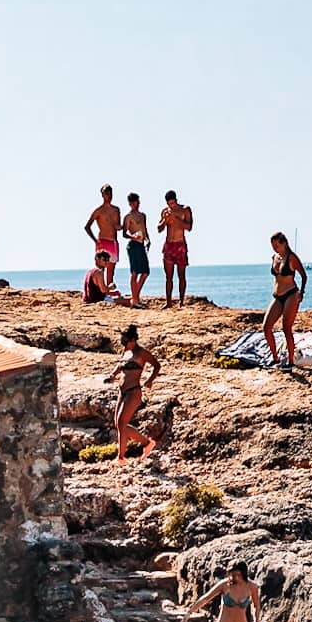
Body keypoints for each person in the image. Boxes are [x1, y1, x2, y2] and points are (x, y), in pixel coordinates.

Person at [107, 324, 162, 461]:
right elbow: (120, 365)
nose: (123, 344)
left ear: (133, 340)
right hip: (122, 391)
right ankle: (120, 457)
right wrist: (113, 375)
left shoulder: (141, 353)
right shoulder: (126, 352)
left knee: (122, 423)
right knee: (119, 424)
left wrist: (150, 380)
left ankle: (146, 443)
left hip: (133, 391)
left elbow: (156, 365)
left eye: (125, 341)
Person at [264, 232, 308, 368]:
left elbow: (303, 275)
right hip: (277, 296)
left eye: (276, 244)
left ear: (283, 243)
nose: (274, 247)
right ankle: (275, 358)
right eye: (272, 245)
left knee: (286, 328)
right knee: (266, 327)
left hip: (291, 294)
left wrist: (301, 292)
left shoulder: (291, 257)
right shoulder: (274, 257)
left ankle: (290, 362)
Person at [159, 193, 193, 306]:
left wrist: (176, 219)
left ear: (176, 200)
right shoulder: (165, 211)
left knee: (181, 275)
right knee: (168, 276)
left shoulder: (185, 210)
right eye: (169, 204)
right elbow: (159, 229)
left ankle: (181, 302)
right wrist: (165, 220)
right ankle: (168, 302)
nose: (171, 206)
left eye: (173, 203)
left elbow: (189, 227)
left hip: (180, 245)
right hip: (169, 245)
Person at [86, 187, 122, 290]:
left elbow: (117, 226)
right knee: (101, 269)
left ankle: (109, 292)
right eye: (106, 194)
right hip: (102, 242)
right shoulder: (99, 211)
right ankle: (98, 291)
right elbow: (87, 227)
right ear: (102, 195)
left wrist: (120, 227)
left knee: (111, 269)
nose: (108, 196)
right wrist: (95, 241)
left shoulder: (116, 210)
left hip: (113, 242)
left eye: (110, 193)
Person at [121, 193, 152, 306]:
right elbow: (124, 233)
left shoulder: (143, 215)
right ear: (130, 203)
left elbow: (145, 229)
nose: (136, 204)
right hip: (133, 245)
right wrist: (132, 236)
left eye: (138, 201)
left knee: (145, 272)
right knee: (134, 273)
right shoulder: (128, 217)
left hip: (141, 245)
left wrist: (148, 240)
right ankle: (135, 300)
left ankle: (135, 297)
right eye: (134, 202)